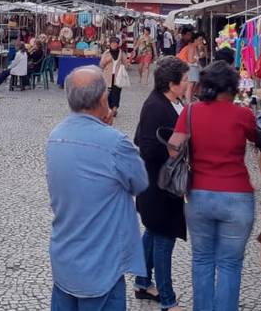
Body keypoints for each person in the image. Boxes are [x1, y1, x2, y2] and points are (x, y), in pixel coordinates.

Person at [46, 65, 148, 310]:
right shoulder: (114, 143)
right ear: (103, 98)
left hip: (65, 255)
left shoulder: (55, 137)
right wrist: (108, 131)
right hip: (102, 261)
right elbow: (140, 181)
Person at [169, 61, 258, 311]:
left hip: (199, 195)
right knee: (230, 264)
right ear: (231, 87)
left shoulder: (190, 112)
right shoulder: (243, 115)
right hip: (237, 196)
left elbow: (173, 148)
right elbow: (259, 139)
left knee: (202, 260)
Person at [133, 57, 190, 310]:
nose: (188, 83)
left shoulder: (171, 102)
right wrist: (175, 150)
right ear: (171, 83)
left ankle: (143, 282)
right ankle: (167, 299)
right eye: (185, 79)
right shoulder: (156, 106)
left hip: (159, 185)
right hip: (159, 185)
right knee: (164, 239)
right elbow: (145, 145)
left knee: (153, 233)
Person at [100, 36, 129, 119]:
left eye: (115, 43)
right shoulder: (106, 53)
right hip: (108, 76)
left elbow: (125, 64)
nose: (114, 44)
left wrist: (124, 66)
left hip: (117, 77)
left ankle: (114, 108)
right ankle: (109, 109)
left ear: (118, 44)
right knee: (108, 94)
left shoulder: (121, 53)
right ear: (110, 44)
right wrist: (107, 60)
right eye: (112, 43)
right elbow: (101, 65)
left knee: (116, 93)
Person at [177, 33, 201, 98]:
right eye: (199, 40)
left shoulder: (193, 46)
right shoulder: (192, 47)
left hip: (187, 66)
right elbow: (191, 60)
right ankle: (187, 100)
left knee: (189, 83)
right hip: (189, 66)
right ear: (195, 40)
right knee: (190, 84)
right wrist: (197, 58)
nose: (201, 41)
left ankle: (184, 97)